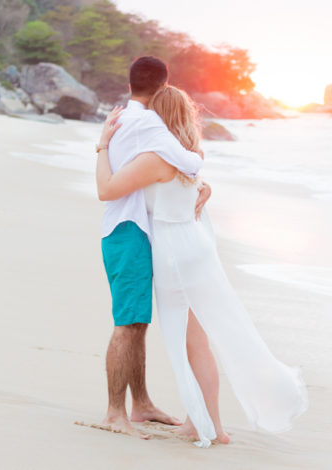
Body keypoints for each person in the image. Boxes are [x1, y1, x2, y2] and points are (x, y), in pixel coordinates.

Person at [96, 85, 308, 448]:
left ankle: (200, 422)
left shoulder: (155, 158)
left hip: (173, 254)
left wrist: (101, 145)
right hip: (197, 248)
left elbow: (109, 189)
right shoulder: (190, 156)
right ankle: (209, 423)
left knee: (183, 343)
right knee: (200, 342)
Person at [96, 56, 211, 439]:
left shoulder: (122, 119)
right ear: (163, 86)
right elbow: (189, 161)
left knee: (137, 321)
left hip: (130, 230)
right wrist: (201, 173)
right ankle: (115, 412)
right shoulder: (148, 123)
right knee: (128, 323)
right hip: (128, 230)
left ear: (130, 84)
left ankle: (141, 404)